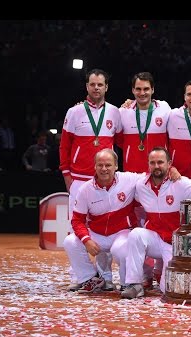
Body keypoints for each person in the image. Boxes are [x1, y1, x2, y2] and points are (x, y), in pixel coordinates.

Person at [112, 147, 191, 299]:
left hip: (173, 244)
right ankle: (134, 284)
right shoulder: (141, 184)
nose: (156, 166)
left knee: (167, 289)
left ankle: (161, 276)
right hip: (154, 238)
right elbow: (120, 180)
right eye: (152, 163)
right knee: (136, 234)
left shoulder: (180, 183)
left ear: (169, 164)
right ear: (148, 165)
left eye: (160, 162)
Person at [59, 68, 122, 291]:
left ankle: (105, 277)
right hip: (78, 177)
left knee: (104, 227)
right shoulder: (74, 112)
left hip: (105, 178)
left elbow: (122, 140)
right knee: (74, 228)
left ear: (107, 87)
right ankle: (79, 276)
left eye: (100, 85)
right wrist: (66, 174)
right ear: (87, 86)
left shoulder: (115, 112)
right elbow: (64, 145)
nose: (96, 88)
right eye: (92, 84)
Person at [63, 148, 142, 293]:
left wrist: (171, 171)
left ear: (116, 166)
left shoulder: (129, 179)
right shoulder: (85, 189)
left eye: (108, 165)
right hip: (97, 234)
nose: (104, 169)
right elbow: (77, 220)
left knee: (121, 249)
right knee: (70, 242)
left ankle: (128, 283)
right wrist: (86, 240)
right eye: (100, 165)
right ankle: (91, 279)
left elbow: (151, 177)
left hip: (121, 232)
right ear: (94, 166)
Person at [117, 72, 171, 173]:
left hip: (158, 172)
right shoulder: (123, 112)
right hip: (132, 172)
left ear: (152, 89)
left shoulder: (164, 108)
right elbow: (119, 141)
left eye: (146, 89)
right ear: (133, 90)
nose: (142, 93)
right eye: (138, 89)